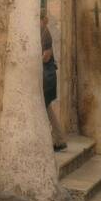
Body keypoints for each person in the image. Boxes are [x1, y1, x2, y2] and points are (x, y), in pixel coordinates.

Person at [41, 11, 67, 151]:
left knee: (44, 107)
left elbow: (46, 56)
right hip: (47, 76)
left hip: (47, 76)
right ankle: (58, 139)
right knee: (47, 108)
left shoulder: (45, 33)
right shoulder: (43, 31)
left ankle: (57, 139)